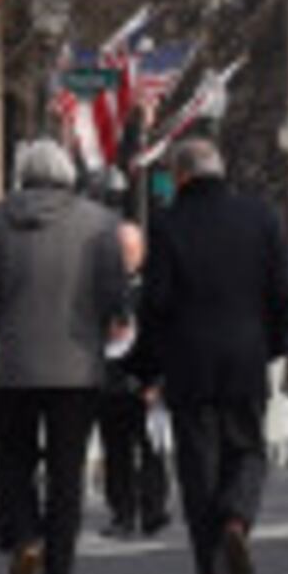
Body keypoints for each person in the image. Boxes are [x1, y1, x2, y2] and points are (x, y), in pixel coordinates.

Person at [0, 138, 130, 574]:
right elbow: (115, 293)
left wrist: (3, 327)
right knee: (67, 471)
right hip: (77, 364)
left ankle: (25, 538)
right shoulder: (99, 224)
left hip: (16, 362)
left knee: (13, 462)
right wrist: (100, 327)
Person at [137, 138, 288, 574]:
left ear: (181, 175)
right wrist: (274, 345)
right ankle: (237, 518)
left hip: (189, 360)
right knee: (247, 450)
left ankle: (209, 569)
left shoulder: (167, 224)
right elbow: (280, 292)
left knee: (197, 464)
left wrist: (149, 365)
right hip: (247, 353)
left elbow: (157, 302)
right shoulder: (261, 217)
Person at [94, 217, 171, 539]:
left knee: (150, 447)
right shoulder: (98, 289)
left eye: (131, 250)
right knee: (116, 450)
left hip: (145, 379)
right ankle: (121, 512)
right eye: (120, 250)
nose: (125, 256)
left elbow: (166, 333)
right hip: (109, 378)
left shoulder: (153, 289)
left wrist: (159, 380)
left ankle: (154, 509)